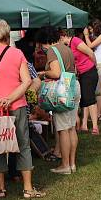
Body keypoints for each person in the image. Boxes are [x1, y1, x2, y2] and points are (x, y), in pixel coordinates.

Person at [0, 20, 45, 199]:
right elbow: (27, 81)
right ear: (6, 35)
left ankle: (0, 188)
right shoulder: (17, 54)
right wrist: (11, 99)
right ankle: (28, 188)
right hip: (17, 106)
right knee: (23, 145)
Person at [36, 25, 80, 174]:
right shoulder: (66, 48)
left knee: (62, 130)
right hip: (74, 86)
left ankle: (65, 165)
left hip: (62, 91)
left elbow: (56, 73)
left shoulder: (52, 51)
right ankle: (72, 163)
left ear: (45, 41)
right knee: (71, 127)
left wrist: (43, 73)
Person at [61, 29, 98, 134]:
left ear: (63, 36)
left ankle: (95, 126)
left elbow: (90, 52)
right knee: (84, 99)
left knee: (90, 98)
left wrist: (94, 66)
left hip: (89, 71)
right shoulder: (69, 46)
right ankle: (84, 125)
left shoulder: (76, 41)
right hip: (82, 73)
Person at [84, 19, 101, 123]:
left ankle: (99, 113)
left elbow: (90, 46)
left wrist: (86, 35)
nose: (90, 31)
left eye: (91, 29)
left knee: (98, 91)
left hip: (100, 64)